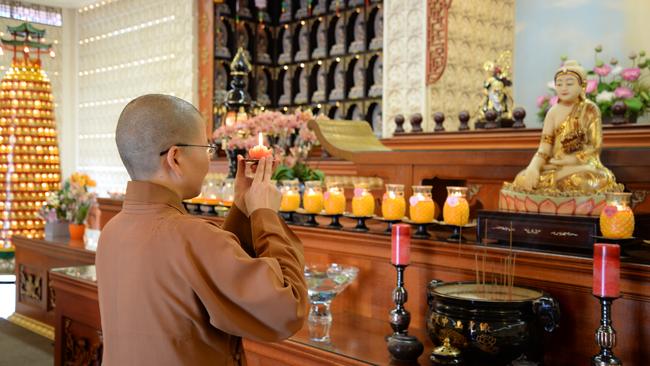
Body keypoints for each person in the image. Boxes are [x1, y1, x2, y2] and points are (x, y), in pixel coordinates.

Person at [96, 94, 307, 365]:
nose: (209, 159)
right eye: (206, 148)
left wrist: (242, 209)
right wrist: (265, 214)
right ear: (176, 157)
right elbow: (286, 309)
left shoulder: (112, 230)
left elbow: (211, 277)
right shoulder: (190, 236)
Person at [508, 60, 622, 195]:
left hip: (581, 166)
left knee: (592, 180)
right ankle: (554, 189)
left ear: (582, 86)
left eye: (569, 83)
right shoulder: (552, 112)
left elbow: (594, 145)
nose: (563, 88)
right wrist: (533, 167)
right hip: (556, 166)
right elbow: (544, 148)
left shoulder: (590, 109)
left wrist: (573, 159)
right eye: (559, 84)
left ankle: (557, 191)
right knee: (522, 179)